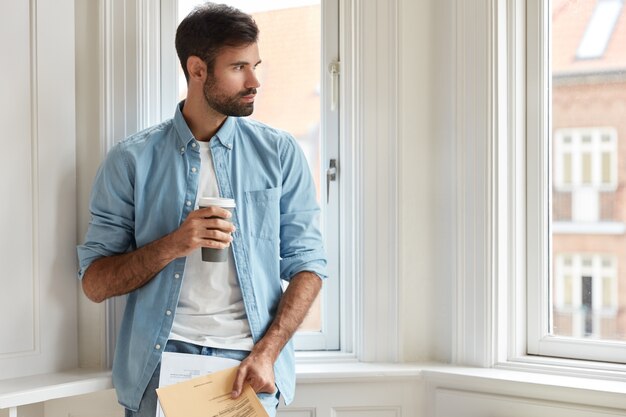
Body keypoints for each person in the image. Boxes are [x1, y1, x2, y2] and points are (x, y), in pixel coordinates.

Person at [77, 3, 327, 416]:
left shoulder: (279, 153)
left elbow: (310, 265)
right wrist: (174, 243)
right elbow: (95, 283)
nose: (254, 81)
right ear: (197, 70)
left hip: (249, 367)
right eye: (239, 67)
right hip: (160, 368)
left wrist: (268, 352)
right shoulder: (131, 160)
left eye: (255, 65)